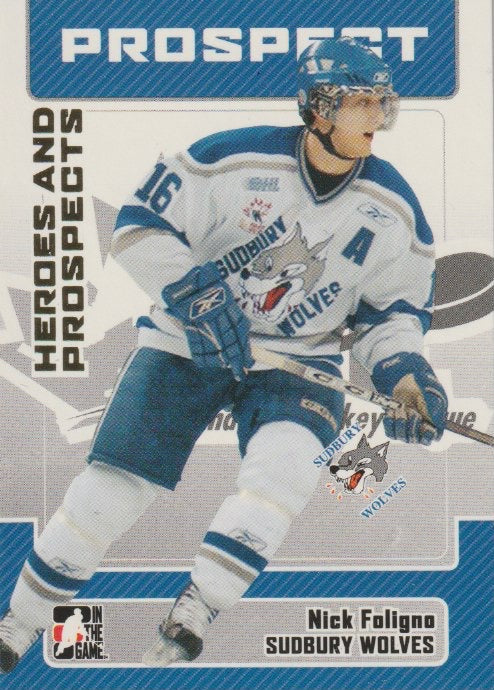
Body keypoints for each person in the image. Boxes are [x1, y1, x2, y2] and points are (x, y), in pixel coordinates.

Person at [0, 37, 448, 672]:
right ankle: (19, 623)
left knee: (281, 477)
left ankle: (197, 609)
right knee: (109, 491)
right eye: (361, 102)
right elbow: (138, 225)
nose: (378, 116)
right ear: (319, 107)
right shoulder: (228, 159)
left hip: (302, 358)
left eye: (383, 102)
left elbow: (393, 314)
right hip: (188, 341)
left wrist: (405, 374)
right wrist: (196, 295)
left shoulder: (395, 210)